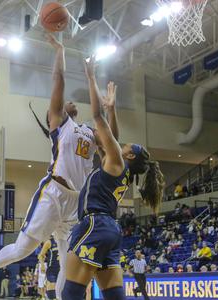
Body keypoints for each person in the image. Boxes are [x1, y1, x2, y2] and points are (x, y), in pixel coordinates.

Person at [0, 33, 120, 299]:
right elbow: (58, 81)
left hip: (77, 203)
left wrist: (111, 110)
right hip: (53, 193)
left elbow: (113, 143)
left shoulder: (87, 131)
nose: (65, 101)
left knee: (68, 262)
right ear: (52, 118)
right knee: (23, 248)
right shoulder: (61, 126)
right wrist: (60, 50)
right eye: (58, 106)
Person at [60, 55, 164, 300]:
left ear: (128, 155)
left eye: (127, 145)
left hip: (94, 224)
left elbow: (97, 119)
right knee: (114, 296)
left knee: (71, 294)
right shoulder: (121, 169)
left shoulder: (117, 161)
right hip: (111, 231)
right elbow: (112, 139)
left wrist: (91, 77)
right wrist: (113, 110)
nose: (123, 144)